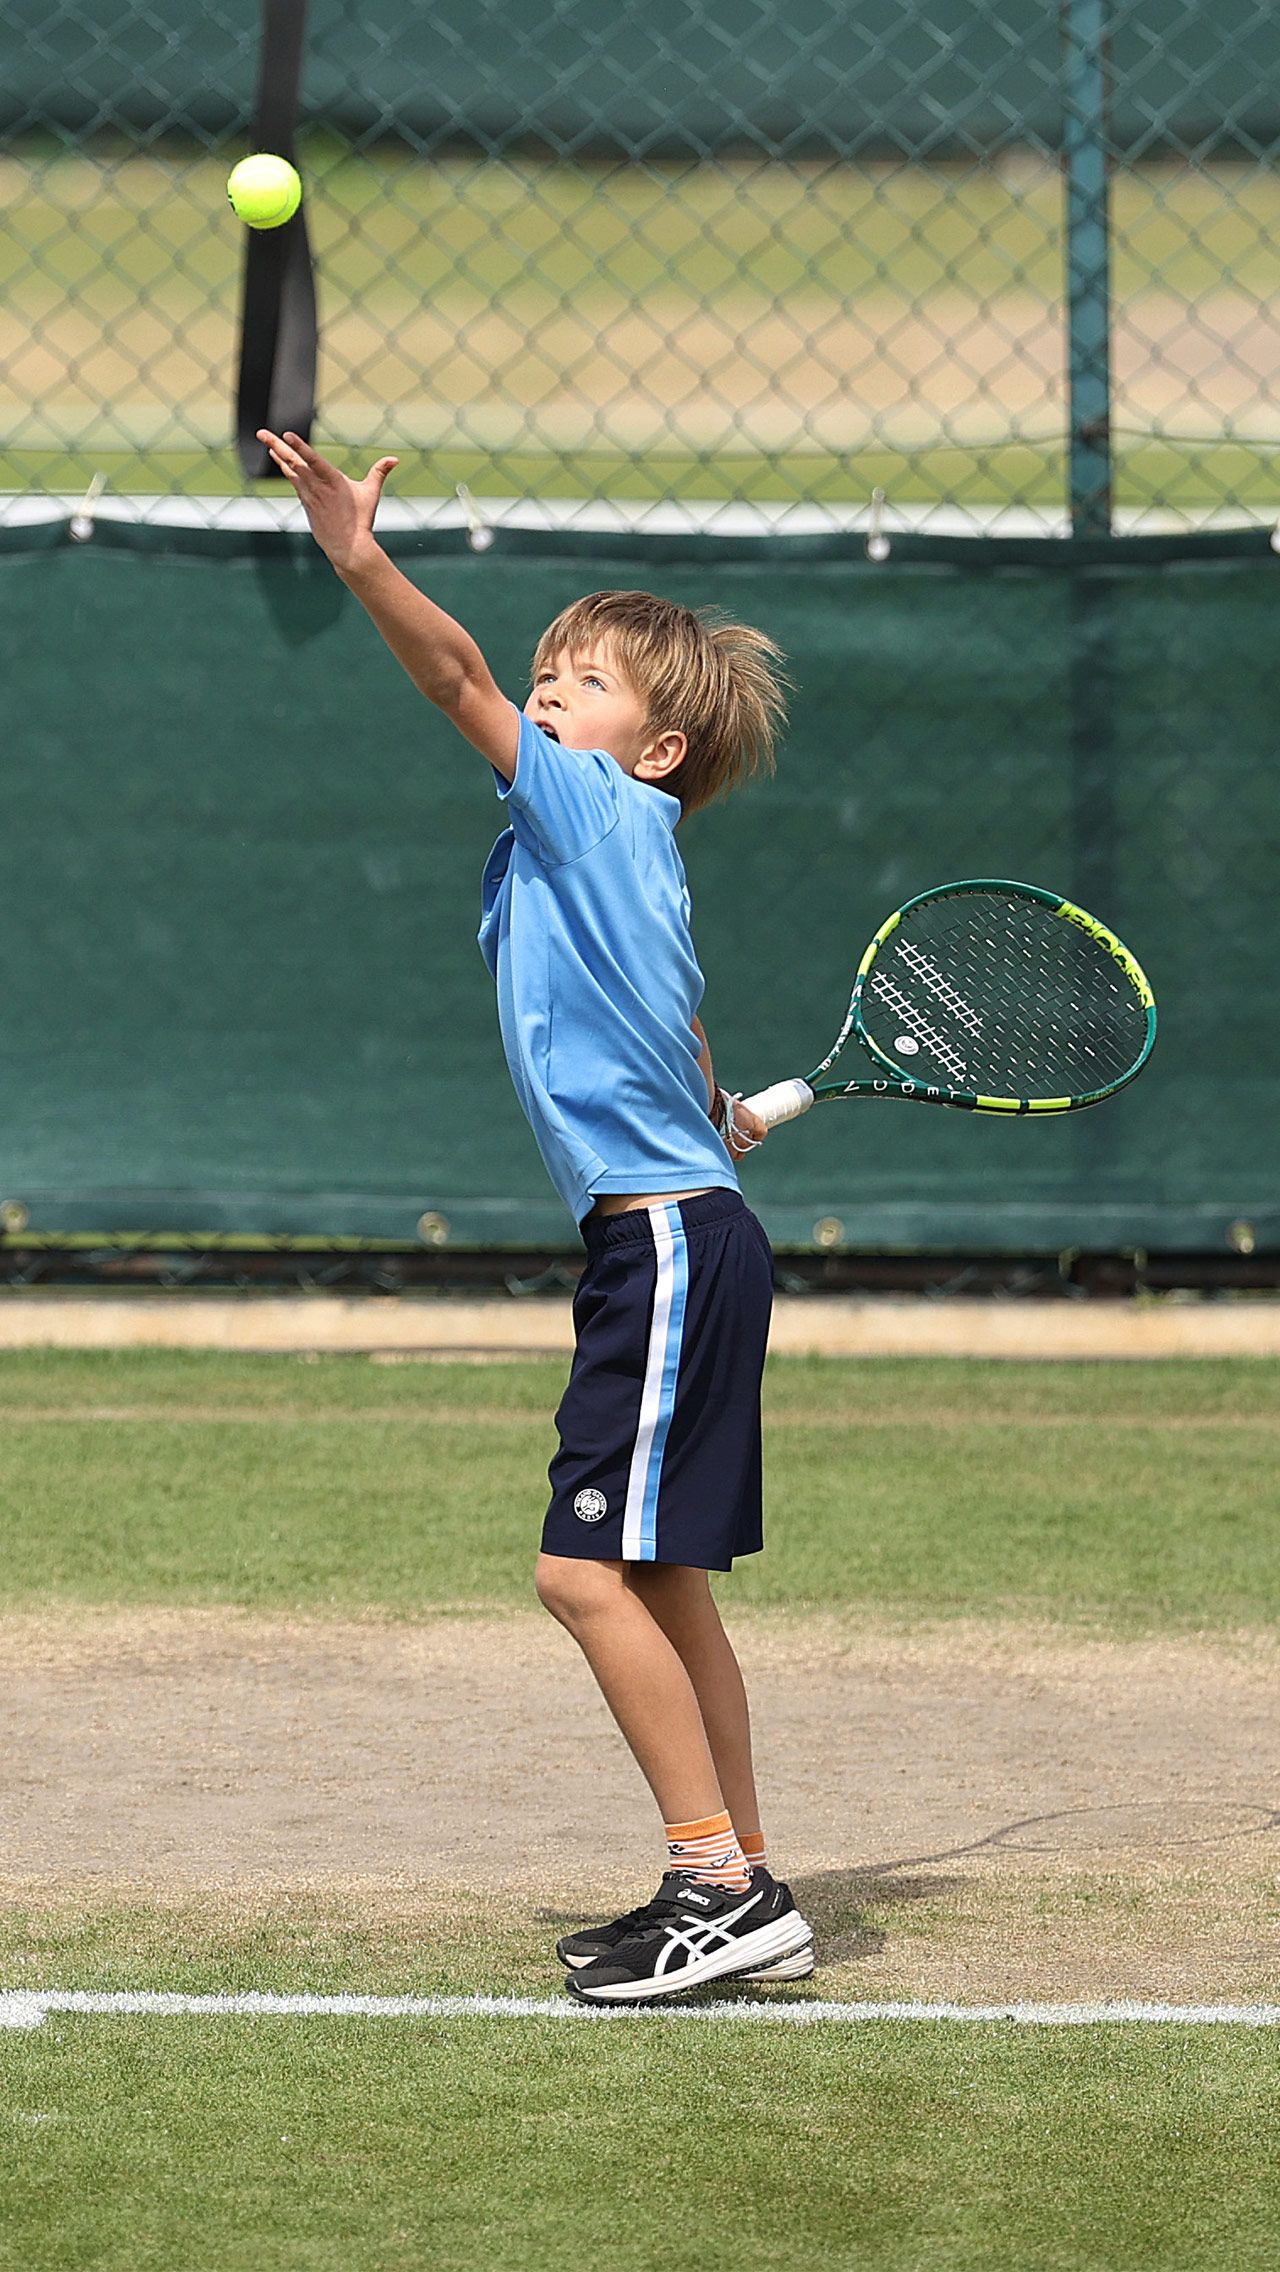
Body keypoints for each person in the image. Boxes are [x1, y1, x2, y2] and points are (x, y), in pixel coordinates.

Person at [257, 429, 814, 2002]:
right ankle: (739, 1876)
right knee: (664, 1580)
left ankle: (718, 1881)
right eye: (549, 670)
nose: (549, 689)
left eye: (586, 684)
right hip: (682, 1228)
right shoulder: (611, 856)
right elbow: (681, 1037)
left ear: (650, 756)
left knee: (581, 1577)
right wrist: (709, 1107)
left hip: (666, 1248)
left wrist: (361, 560)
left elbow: (451, 683)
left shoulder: (585, 811)